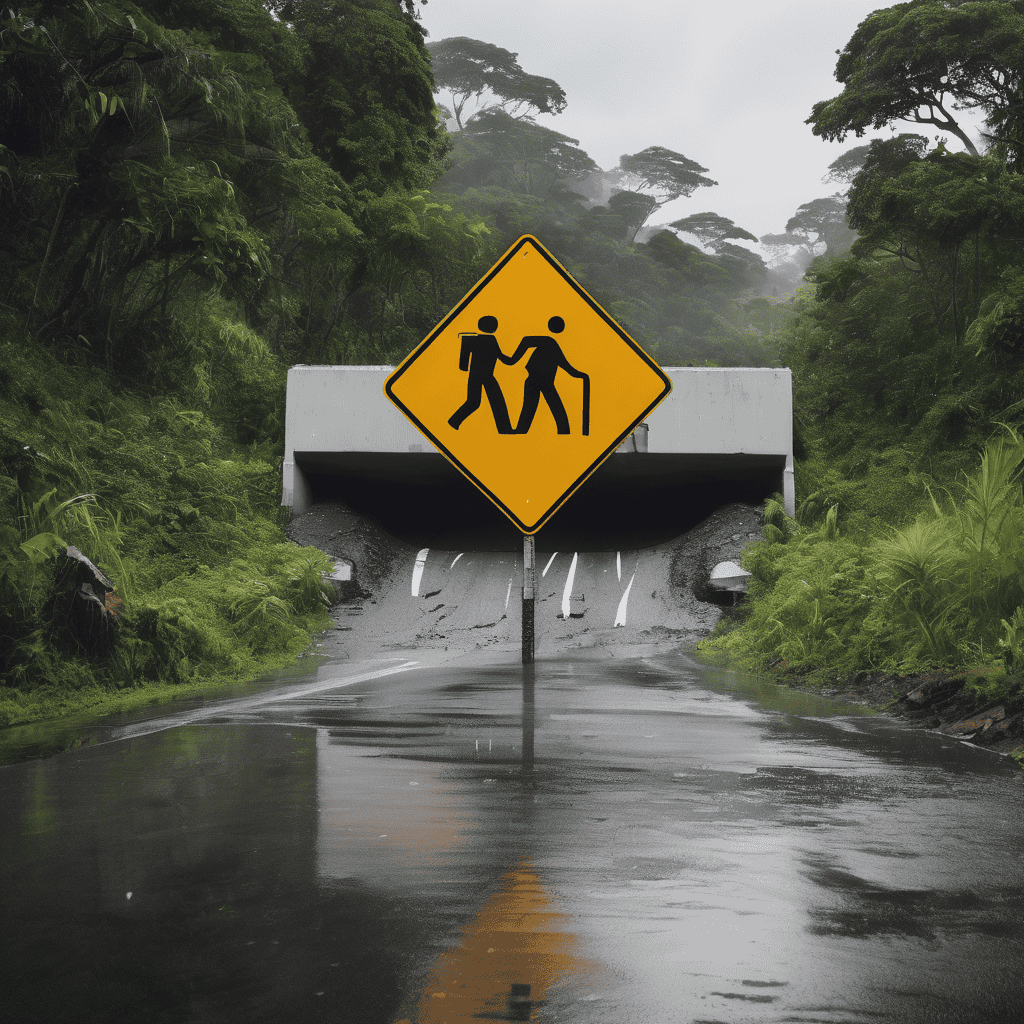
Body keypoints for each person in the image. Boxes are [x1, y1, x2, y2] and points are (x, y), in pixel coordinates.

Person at [506, 316, 590, 435]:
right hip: (536, 381)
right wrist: (513, 360)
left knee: (555, 413)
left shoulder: (551, 344)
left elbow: (564, 364)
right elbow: (526, 340)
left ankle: (562, 434)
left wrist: (581, 375)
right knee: (538, 411)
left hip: (544, 382)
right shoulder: (549, 341)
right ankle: (520, 433)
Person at [447, 315, 516, 433]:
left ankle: (454, 422)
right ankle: (504, 428)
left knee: (475, 402)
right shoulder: (490, 340)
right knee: (493, 401)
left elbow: (463, 362)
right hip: (486, 375)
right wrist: (515, 359)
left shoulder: (474, 339)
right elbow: (502, 358)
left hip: (476, 375)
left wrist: (513, 360)